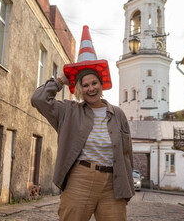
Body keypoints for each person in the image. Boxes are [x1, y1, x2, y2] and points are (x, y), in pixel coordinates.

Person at [31, 25, 134, 221]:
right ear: (79, 89)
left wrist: (126, 187)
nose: (90, 88)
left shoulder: (118, 114)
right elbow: (39, 99)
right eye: (85, 85)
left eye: (94, 83)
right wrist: (61, 80)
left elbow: (127, 153)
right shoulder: (68, 111)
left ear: (101, 84)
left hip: (113, 183)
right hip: (80, 179)